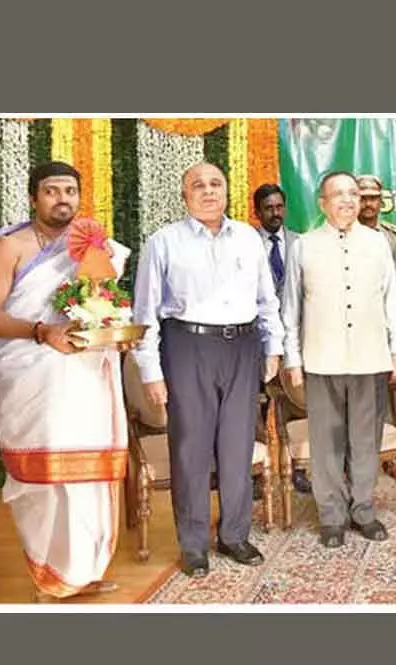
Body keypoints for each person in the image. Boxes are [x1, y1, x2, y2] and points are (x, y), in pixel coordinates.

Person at [0, 161, 130, 602]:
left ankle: (82, 571)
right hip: (31, 377)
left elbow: (104, 305)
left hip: (84, 376)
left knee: (87, 478)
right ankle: (50, 577)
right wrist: (42, 332)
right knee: (44, 480)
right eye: (52, 191)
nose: (63, 199)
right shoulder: (9, 247)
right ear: (33, 197)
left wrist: (114, 330)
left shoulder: (91, 244)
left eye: (70, 191)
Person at [132, 162, 284, 577]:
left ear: (227, 191)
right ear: (185, 196)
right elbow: (144, 313)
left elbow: (266, 299)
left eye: (216, 183)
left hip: (243, 347)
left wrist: (273, 347)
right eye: (198, 185)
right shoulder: (164, 242)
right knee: (191, 451)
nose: (208, 191)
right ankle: (194, 543)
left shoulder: (249, 239)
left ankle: (234, 535)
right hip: (188, 347)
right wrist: (151, 371)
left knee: (237, 447)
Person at [281, 170, 396, 548]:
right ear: (323, 203)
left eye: (353, 193)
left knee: (365, 440)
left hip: (370, 356)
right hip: (321, 358)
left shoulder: (377, 243)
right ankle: (332, 516)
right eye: (338, 194)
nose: (348, 201)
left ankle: (363, 511)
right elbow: (292, 306)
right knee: (327, 440)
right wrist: (293, 358)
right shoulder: (304, 245)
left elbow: (390, 300)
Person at [252, 182, 312, 495]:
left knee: (297, 402)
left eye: (279, 207)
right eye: (268, 208)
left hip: (294, 335)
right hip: (256, 339)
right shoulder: (247, 244)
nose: (275, 213)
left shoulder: (300, 243)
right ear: (257, 211)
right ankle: (257, 474)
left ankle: (299, 467)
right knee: (254, 406)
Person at [356, 174, 396, 290]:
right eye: (363, 198)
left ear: (381, 201)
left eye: (373, 198)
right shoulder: (342, 234)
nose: (368, 204)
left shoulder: (394, 236)